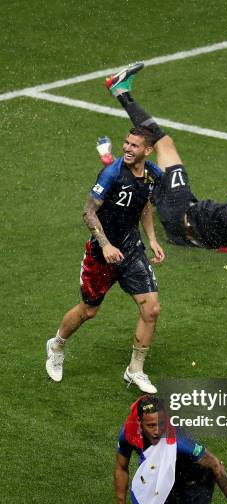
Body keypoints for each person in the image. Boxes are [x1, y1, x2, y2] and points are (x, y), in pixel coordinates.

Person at [104, 63, 227, 251]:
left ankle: (120, 90)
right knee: (160, 185)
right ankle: (113, 163)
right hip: (180, 234)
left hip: (181, 210)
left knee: (164, 143)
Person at [45, 128, 165, 393]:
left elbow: (144, 205)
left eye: (134, 145)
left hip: (131, 250)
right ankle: (57, 346)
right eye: (126, 143)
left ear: (147, 150)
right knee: (89, 311)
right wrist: (106, 244)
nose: (127, 148)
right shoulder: (111, 173)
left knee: (151, 309)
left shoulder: (152, 174)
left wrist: (153, 239)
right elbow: (88, 212)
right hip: (102, 254)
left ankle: (135, 370)